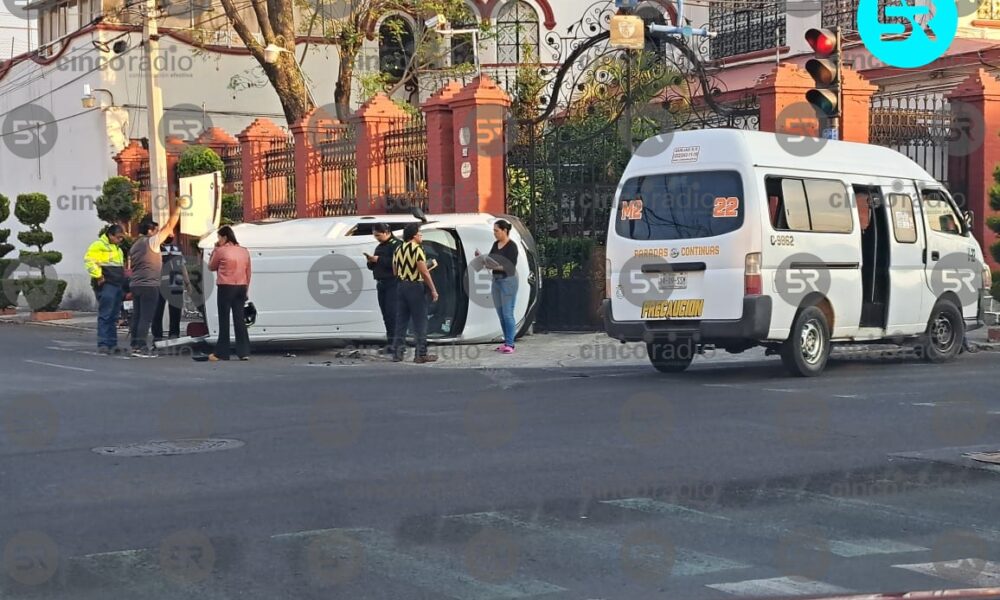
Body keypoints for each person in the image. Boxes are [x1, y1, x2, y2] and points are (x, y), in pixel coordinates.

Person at [128, 204, 181, 358]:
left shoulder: (135, 245)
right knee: (146, 317)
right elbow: (170, 225)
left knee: (137, 316)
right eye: (156, 231)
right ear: (150, 231)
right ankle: (142, 347)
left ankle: (135, 345)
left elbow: (166, 227)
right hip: (149, 284)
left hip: (136, 283)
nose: (159, 234)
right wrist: (178, 208)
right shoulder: (151, 242)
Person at [391, 223, 439, 364]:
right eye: (420, 234)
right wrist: (433, 289)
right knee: (420, 321)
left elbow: (395, 271)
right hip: (415, 287)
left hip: (401, 286)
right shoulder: (417, 249)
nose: (421, 236)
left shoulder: (398, 249)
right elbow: (424, 271)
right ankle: (421, 354)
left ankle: (397, 353)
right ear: (414, 236)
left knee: (401, 321)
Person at [208, 225, 252, 362]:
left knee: (224, 319)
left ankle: (222, 352)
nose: (218, 240)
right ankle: (244, 352)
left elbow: (211, 266)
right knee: (239, 319)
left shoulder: (221, 251)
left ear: (224, 237)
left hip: (226, 287)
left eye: (219, 237)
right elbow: (248, 272)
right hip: (241, 286)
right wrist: (246, 289)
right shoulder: (244, 251)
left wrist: (215, 249)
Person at [476, 219, 520, 353]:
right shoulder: (496, 244)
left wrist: (495, 265)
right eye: (494, 231)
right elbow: (490, 261)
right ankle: (506, 341)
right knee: (501, 314)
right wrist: (482, 259)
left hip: (508, 281)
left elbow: (510, 266)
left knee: (508, 313)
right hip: (496, 280)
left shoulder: (512, 246)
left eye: (496, 230)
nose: (494, 233)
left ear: (504, 231)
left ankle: (510, 344)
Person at [84, 224, 127, 354]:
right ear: (110, 235)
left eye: (122, 238)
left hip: (118, 285)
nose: (121, 240)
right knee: (105, 315)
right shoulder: (98, 245)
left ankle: (112, 344)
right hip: (107, 284)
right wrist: (98, 276)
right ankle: (103, 344)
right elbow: (89, 261)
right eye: (118, 237)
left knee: (114, 316)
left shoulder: (117, 249)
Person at [366, 223, 401, 353]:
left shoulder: (396, 245)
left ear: (386, 232)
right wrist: (371, 262)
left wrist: (379, 259)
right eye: (375, 236)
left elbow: (397, 263)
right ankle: (390, 343)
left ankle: (397, 345)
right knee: (386, 315)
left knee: (393, 314)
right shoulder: (380, 246)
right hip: (381, 283)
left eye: (378, 235)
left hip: (393, 283)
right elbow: (374, 267)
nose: (377, 238)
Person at [153, 235, 189, 342]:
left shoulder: (177, 249)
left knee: (175, 310)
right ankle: (158, 335)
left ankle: (173, 333)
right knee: (158, 309)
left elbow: (183, 266)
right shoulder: (156, 249)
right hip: (162, 282)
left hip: (174, 281)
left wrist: (187, 283)